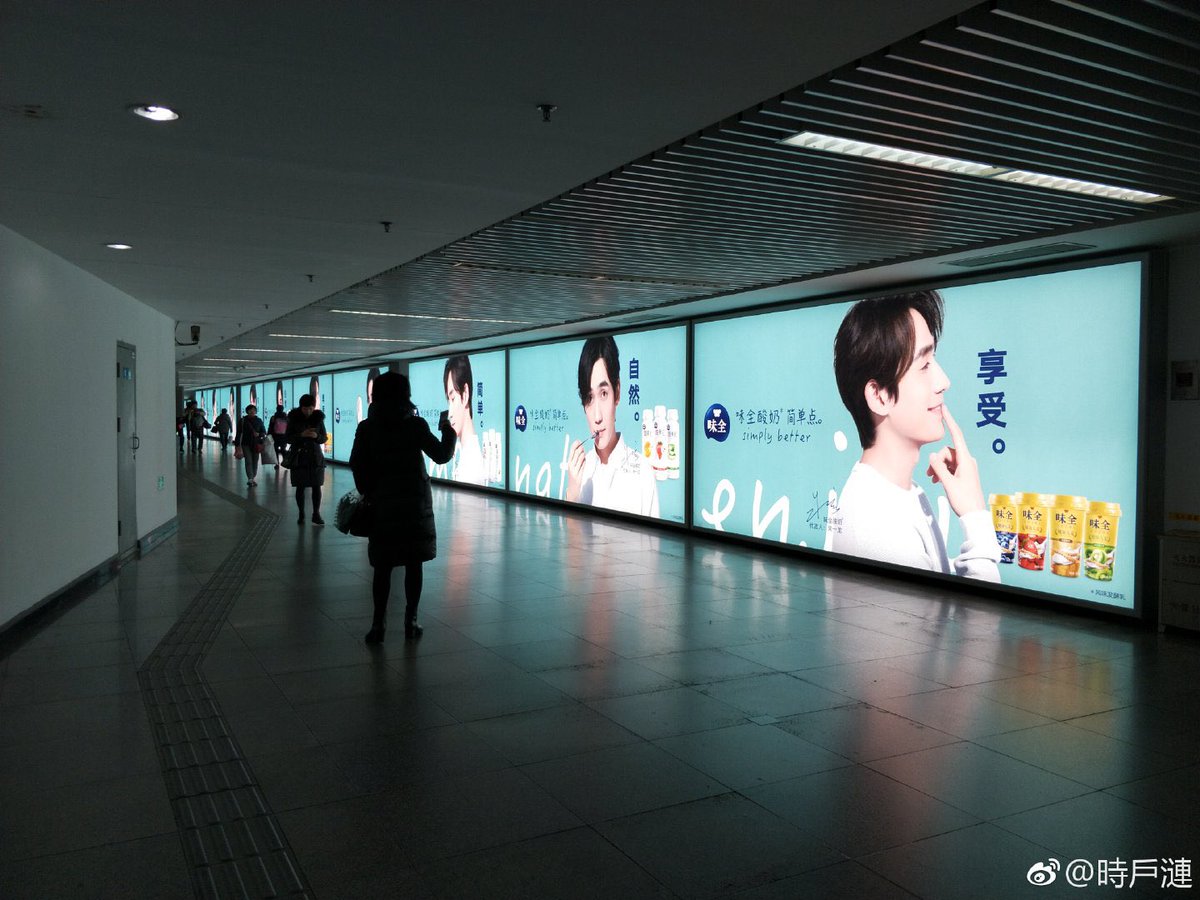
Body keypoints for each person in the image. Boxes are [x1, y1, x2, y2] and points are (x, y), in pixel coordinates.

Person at [831, 290, 1000, 582]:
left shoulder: (899, 494)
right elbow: (979, 626)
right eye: (923, 366)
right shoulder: (878, 523)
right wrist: (975, 516)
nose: (944, 382)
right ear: (880, 396)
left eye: (934, 360)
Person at [349, 372, 455, 644]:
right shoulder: (415, 425)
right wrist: (448, 430)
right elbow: (442, 455)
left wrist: (369, 491)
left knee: (382, 568)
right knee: (413, 563)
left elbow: (357, 464)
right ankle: (411, 620)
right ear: (404, 394)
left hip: (382, 506)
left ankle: (378, 624)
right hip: (413, 505)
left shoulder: (367, 427)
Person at [565, 336, 659, 517]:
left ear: (617, 392)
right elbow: (570, 544)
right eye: (589, 398)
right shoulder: (578, 474)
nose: (597, 417)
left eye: (604, 393)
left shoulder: (642, 472)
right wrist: (571, 495)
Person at [443, 354, 486, 485]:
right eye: (448, 401)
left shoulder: (472, 465)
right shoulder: (465, 454)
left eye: (453, 399)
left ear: (465, 394)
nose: (449, 413)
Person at [286, 394, 328, 524]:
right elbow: (288, 438)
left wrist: (316, 436)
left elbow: (324, 437)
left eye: (310, 408)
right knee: (300, 486)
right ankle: (301, 513)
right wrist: (301, 435)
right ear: (301, 407)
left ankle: (316, 513)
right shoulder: (293, 419)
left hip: (315, 457)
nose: (308, 411)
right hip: (299, 457)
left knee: (317, 486)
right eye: (305, 408)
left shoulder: (318, 419)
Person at [238, 404, 267, 486]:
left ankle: (253, 477)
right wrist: (237, 444)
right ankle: (250, 478)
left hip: (256, 443)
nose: (252, 411)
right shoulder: (243, 420)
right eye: (250, 410)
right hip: (245, 443)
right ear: (247, 411)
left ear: (256, 411)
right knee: (248, 461)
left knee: (255, 461)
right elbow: (239, 432)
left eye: (253, 410)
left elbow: (264, 431)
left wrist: (259, 434)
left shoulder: (259, 420)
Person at [268, 405, 289, 470]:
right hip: (284, 436)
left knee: (276, 450)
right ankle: (285, 462)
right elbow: (288, 427)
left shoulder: (273, 417)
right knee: (283, 449)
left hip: (275, 436)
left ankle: (277, 464)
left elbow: (270, 427)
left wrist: (269, 434)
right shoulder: (286, 417)